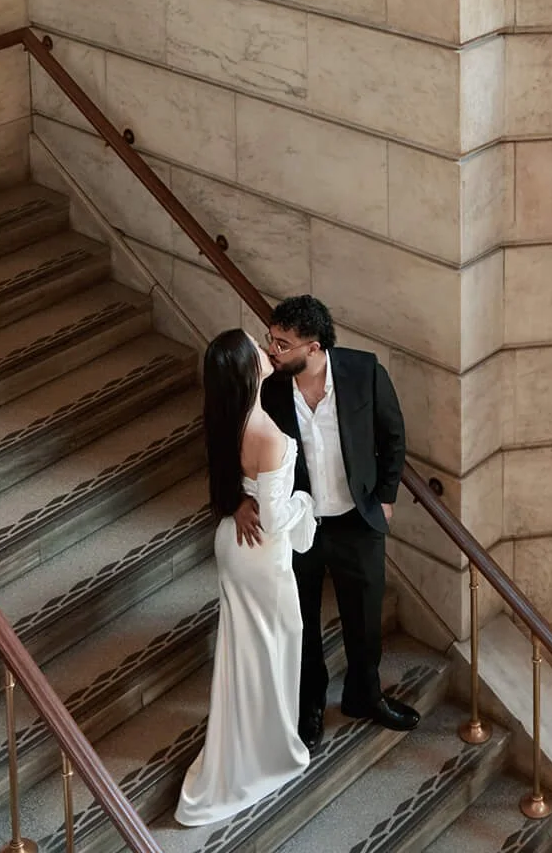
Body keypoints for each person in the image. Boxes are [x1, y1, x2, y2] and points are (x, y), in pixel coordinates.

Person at [240, 295, 419, 748]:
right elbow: (235, 443)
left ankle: (365, 696)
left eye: (282, 344)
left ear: (314, 347)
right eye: (271, 339)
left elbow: (393, 436)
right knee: (301, 622)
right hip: (297, 526)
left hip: (356, 521)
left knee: (365, 620)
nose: (272, 350)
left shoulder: (364, 371)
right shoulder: (269, 387)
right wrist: (238, 501)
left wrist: (386, 497)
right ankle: (311, 705)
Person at [175, 330, 317, 827]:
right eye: (258, 346)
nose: (266, 349)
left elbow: (229, 476)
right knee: (274, 645)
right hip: (261, 554)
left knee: (248, 651)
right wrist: (307, 503)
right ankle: (265, 755)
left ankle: (251, 744)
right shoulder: (267, 434)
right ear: (247, 367)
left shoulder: (227, 417)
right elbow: (275, 520)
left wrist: (237, 501)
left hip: (235, 545)